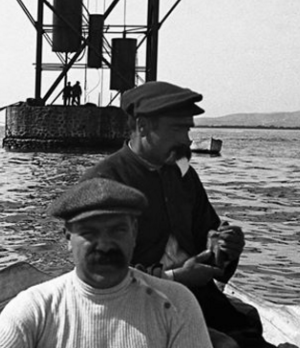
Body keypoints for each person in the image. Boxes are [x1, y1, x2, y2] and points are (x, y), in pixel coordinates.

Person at [80, 81, 274, 348]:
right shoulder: (103, 181)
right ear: (143, 127)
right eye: (177, 128)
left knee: (249, 334)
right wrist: (178, 277)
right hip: (134, 309)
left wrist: (225, 248)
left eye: (188, 128)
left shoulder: (182, 175)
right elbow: (98, 275)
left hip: (195, 299)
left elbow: (208, 239)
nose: (186, 139)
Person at [0, 177, 212, 348]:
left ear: (134, 233)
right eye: (90, 233)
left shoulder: (175, 304)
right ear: (67, 237)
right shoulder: (36, 308)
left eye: (117, 230)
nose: (105, 245)